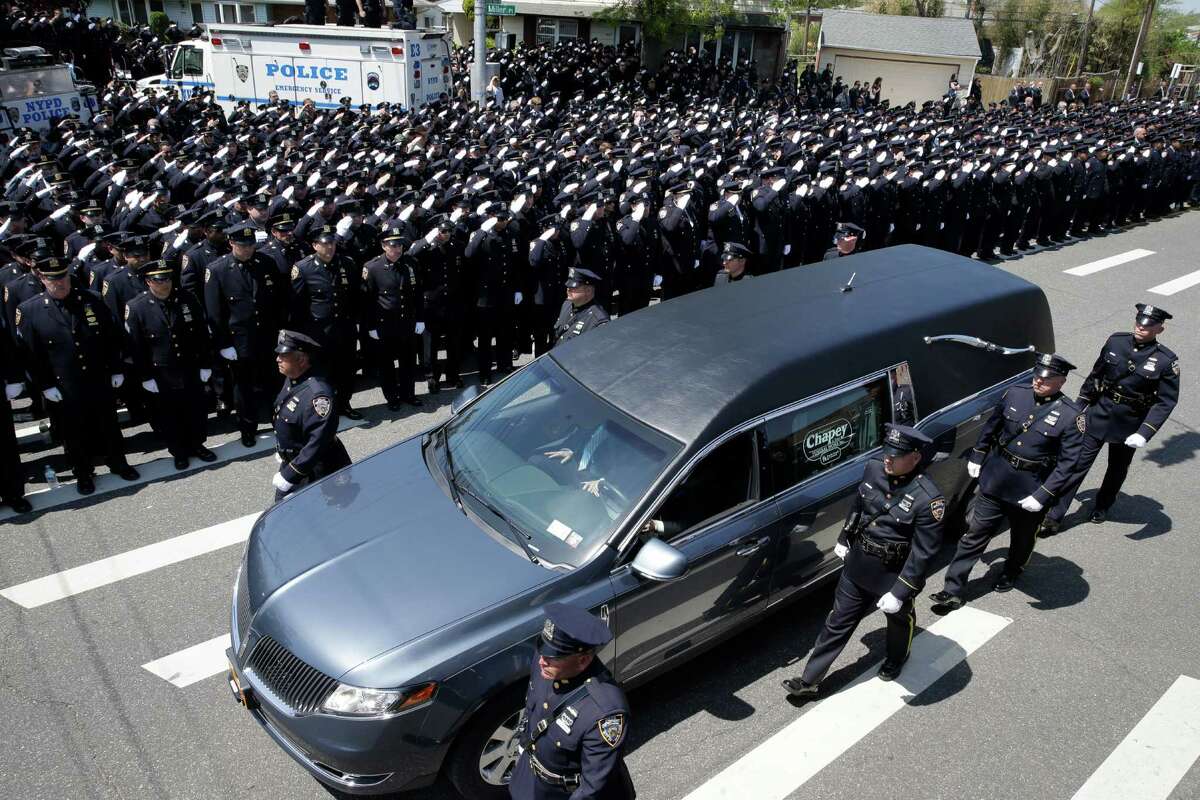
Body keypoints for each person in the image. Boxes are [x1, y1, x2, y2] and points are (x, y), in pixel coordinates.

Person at [782, 424, 944, 698]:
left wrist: (900, 592)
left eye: (896, 456)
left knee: (898, 620)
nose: (888, 459)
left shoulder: (928, 499)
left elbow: (923, 552)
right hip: (859, 561)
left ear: (915, 457)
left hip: (893, 573)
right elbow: (859, 505)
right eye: (887, 452)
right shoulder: (874, 468)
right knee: (838, 620)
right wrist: (844, 537)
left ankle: (897, 657)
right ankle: (809, 681)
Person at [928, 354, 1084, 611]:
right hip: (997, 478)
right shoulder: (1015, 394)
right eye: (1037, 376)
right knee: (975, 534)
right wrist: (978, 455)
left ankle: (1013, 569)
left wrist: (1043, 495)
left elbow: (1068, 463)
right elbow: (992, 427)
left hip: (1031, 487)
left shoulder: (1070, 416)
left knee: (1022, 538)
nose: (1038, 382)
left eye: (1046, 379)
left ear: (1061, 381)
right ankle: (952, 589)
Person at [1040, 304, 1179, 533]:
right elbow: (1096, 375)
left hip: (1129, 423)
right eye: (1139, 323)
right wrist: (1078, 407)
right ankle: (1053, 516)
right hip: (1099, 414)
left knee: (1117, 468)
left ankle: (1103, 505)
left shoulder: (1165, 360)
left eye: (1147, 326)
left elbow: (1166, 401)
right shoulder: (1116, 342)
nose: (1141, 328)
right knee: (1076, 465)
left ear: (1159, 330)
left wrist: (1144, 432)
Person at [15, 257, 140, 495]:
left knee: (108, 425)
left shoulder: (92, 299)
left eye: (63, 277)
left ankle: (118, 463)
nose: (60, 283)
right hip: (64, 384)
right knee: (73, 432)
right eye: (53, 279)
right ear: (42, 278)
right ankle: (83, 473)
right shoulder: (29, 310)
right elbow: (30, 355)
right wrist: (45, 385)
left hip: (97, 376)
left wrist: (116, 368)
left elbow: (112, 336)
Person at [509, 602, 635, 800]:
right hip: (530, 777)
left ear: (582, 660)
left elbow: (592, 788)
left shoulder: (605, 712)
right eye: (543, 650)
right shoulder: (546, 663)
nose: (541, 661)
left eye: (552, 657)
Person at [124, 259, 216, 471]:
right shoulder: (136, 307)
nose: (164, 283)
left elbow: (201, 333)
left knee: (196, 410)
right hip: (161, 371)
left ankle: (198, 444)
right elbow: (136, 346)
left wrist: (205, 363)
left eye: (167, 278)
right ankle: (179, 451)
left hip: (189, 366)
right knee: (169, 415)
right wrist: (145, 376)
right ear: (148, 281)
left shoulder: (186, 298)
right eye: (159, 280)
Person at [205, 224, 290, 446]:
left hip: (268, 335)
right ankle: (247, 428)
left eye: (251, 245)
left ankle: (279, 422)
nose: (248, 249)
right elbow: (214, 312)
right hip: (239, 340)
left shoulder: (266, 262)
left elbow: (279, 299)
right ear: (231, 243)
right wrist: (224, 343)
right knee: (244, 387)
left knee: (274, 382)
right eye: (243, 246)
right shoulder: (218, 270)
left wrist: (282, 329)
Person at [271, 329, 351, 502]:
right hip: (296, 460)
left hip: (317, 472)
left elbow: (318, 442)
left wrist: (290, 474)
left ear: (301, 359)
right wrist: (284, 449)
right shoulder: (293, 379)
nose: (278, 359)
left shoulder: (318, 395)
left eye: (284, 355)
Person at [362, 224, 424, 411]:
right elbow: (367, 300)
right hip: (385, 324)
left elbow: (418, 293)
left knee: (408, 361)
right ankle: (392, 397)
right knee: (386, 364)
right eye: (393, 245)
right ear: (383, 246)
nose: (397, 249)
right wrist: (371, 326)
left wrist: (420, 318)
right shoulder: (372, 267)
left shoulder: (410, 263)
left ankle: (408, 394)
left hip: (407, 321)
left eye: (400, 245)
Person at [553, 268, 609, 347]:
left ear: (588, 291)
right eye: (568, 286)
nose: (568, 289)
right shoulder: (567, 304)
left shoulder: (598, 320)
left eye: (573, 287)